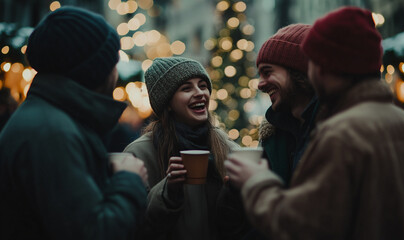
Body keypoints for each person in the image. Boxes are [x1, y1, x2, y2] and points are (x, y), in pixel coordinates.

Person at [225, 6, 404, 240]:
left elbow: (302, 227)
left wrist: (256, 182)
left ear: (323, 67)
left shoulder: (341, 133)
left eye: (313, 62)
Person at [0, 7, 148, 240]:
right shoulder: (51, 132)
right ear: (95, 70)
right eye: (113, 60)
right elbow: (96, 232)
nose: (116, 72)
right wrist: (128, 180)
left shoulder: (50, 118)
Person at [124, 57, 248, 240]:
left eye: (203, 86)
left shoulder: (227, 148)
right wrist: (168, 191)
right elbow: (135, 226)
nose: (199, 93)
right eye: (186, 88)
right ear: (167, 103)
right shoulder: (139, 154)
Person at [257, 24, 318, 187]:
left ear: (298, 70)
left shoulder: (337, 127)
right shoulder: (272, 137)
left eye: (267, 72)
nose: (260, 84)